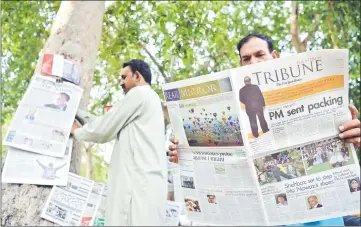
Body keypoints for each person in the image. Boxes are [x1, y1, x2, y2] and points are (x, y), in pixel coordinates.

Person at [167, 33, 360, 163]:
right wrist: (185, 155)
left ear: (274, 56)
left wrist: (354, 136)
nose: (253, 62)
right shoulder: (231, 101)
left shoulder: (306, 93)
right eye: (246, 58)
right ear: (240, 64)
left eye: (260, 54)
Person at [71, 59, 167, 226]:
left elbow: (105, 128)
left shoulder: (139, 94)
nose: (121, 83)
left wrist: (75, 131)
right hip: (147, 189)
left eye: (124, 77)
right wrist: (78, 113)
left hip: (136, 188)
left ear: (137, 76)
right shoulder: (152, 101)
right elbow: (109, 121)